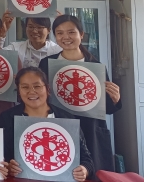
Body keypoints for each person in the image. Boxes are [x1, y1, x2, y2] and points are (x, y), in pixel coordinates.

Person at [39, 15, 122, 173]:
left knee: (89, 174)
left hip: (90, 129)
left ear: (81, 34)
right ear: (55, 36)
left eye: (71, 32)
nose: (66, 37)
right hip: (58, 127)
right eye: (60, 33)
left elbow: (106, 109)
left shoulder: (95, 66)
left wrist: (115, 100)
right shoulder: (46, 63)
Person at [0, 67, 94, 182]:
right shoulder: (7, 118)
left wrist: (84, 170)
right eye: (25, 87)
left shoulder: (66, 118)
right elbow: (0, 157)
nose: (32, 91)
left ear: (47, 89)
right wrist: (8, 166)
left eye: (37, 86)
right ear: (18, 91)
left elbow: (87, 160)